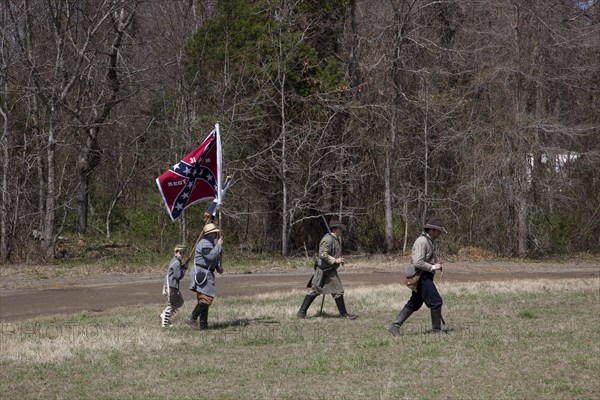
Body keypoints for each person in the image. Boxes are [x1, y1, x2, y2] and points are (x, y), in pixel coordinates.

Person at [388, 217, 448, 336]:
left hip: (424, 276)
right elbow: (417, 262)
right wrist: (432, 267)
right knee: (436, 301)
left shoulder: (429, 241)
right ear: (431, 230)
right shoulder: (422, 241)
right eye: (438, 231)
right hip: (422, 277)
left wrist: (435, 264)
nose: (440, 233)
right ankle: (436, 330)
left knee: (415, 303)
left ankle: (395, 326)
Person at [297, 218, 357, 320]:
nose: (341, 230)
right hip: (324, 271)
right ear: (334, 229)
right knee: (317, 290)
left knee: (336, 291)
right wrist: (335, 260)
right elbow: (322, 254)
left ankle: (343, 314)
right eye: (339, 228)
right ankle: (301, 312)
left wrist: (338, 260)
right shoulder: (328, 239)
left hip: (330, 271)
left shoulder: (335, 239)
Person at [186, 223, 223, 330]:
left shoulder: (211, 243)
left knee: (203, 299)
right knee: (207, 298)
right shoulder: (204, 243)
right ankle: (192, 318)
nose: (217, 233)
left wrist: (218, 267)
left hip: (207, 272)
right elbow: (210, 256)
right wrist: (219, 246)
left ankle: (203, 325)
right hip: (202, 272)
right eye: (215, 232)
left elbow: (213, 259)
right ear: (210, 233)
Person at [160, 244, 188, 328]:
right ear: (175, 253)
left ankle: (165, 315)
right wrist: (184, 269)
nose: (182, 255)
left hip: (173, 286)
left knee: (180, 302)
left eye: (183, 253)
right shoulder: (176, 263)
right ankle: (165, 321)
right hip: (171, 287)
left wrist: (182, 266)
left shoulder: (176, 262)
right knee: (172, 304)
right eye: (180, 253)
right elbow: (179, 276)